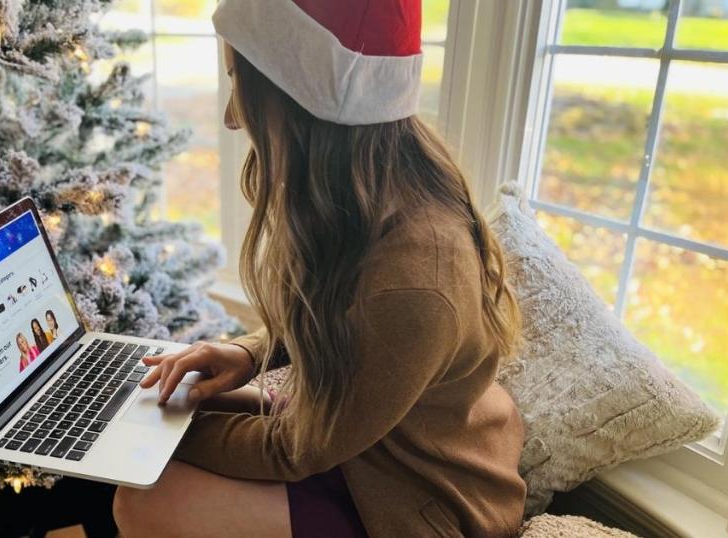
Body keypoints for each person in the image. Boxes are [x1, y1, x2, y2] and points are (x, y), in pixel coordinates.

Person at [112, 1, 527, 537]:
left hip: (422, 498)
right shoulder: (368, 195)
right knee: (181, 400)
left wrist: (143, 435)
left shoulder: (417, 280)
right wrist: (249, 352)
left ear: (300, 101)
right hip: (369, 448)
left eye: (239, 82)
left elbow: (295, 451)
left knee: (145, 498)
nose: (232, 117)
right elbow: (336, 313)